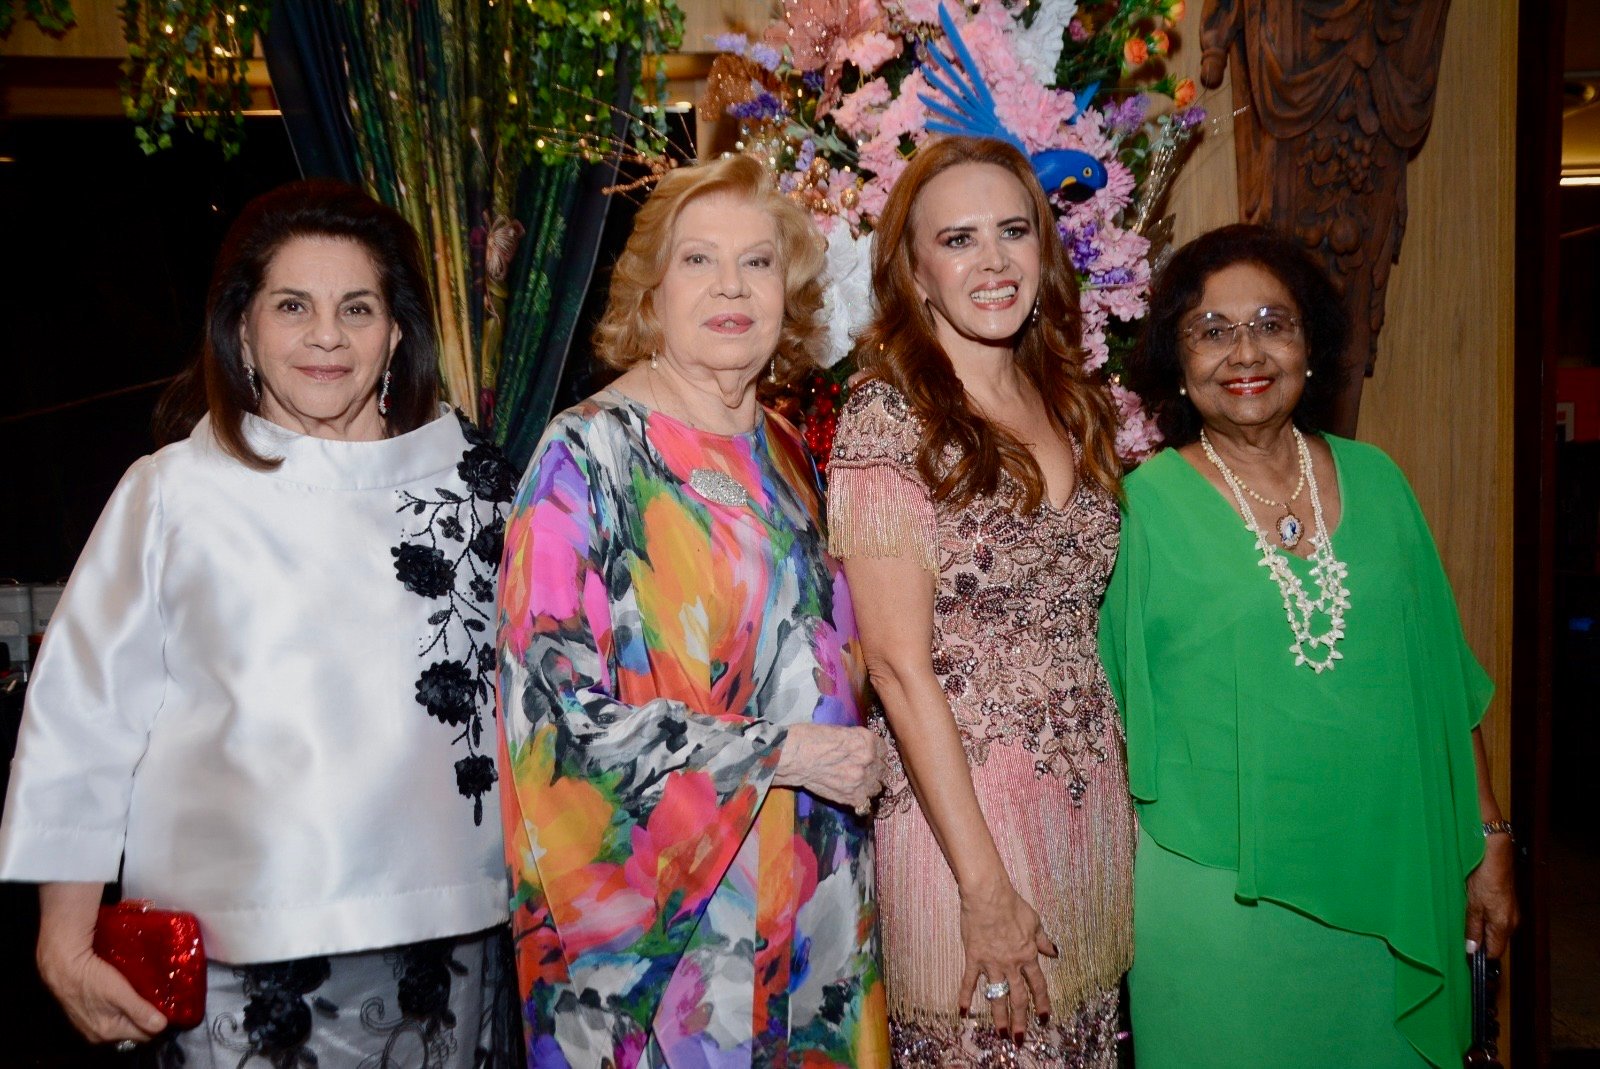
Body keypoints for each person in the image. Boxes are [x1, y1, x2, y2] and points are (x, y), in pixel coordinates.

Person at [0, 180, 522, 1066]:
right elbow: (80, 722)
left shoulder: (478, 489)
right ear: (243, 330)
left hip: (460, 941)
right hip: (238, 963)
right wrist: (64, 935)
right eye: (294, 306)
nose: (327, 335)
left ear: (397, 332)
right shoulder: (170, 493)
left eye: (357, 307)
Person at [495, 153, 890, 1067]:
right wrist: (781, 753)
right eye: (698, 260)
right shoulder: (585, 455)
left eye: (757, 263)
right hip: (666, 949)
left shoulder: (788, 452)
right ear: (651, 291)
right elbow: (552, 722)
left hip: (813, 905)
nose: (731, 287)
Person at [1100, 223, 1519, 1068]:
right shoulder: (1137, 510)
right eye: (1211, 331)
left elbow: (1442, 682)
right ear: (1177, 366)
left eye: (1271, 322)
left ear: (1311, 345)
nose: (1244, 351)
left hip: (1394, 870)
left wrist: (1492, 842)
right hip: (1216, 904)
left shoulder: (1381, 482)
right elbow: (1105, 723)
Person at [826, 136, 1133, 1066]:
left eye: (1013, 231)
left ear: (1045, 249)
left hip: (1087, 812)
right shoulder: (889, 417)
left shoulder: (1070, 398)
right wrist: (983, 885)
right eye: (957, 239)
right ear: (914, 272)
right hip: (967, 826)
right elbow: (897, 667)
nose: (993, 260)